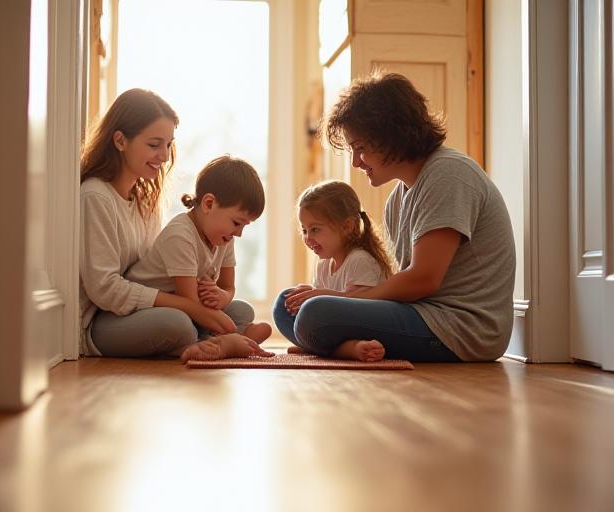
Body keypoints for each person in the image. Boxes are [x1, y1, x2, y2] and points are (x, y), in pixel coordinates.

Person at [274, 73, 516, 362]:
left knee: (315, 313)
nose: (355, 162)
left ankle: (327, 343)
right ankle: (338, 346)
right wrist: (329, 297)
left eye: (360, 148)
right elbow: (400, 286)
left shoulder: (448, 175)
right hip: (422, 315)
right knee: (286, 304)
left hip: (461, 328)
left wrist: (338, 300)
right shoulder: (397, 200)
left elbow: (423, 280)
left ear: (392, 135)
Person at [80, 88, 272, 361]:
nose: (165, 155)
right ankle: (213, 345)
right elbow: (105, 290)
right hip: (107, 321)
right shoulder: (96, 196)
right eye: (154, 144)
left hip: (156, 308)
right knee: (177, 324)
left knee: (240, 310)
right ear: (120, 141)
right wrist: (188, 306)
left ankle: (212, 343)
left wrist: (203, 299)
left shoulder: (144, 200)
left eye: (169, 144)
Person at [125, 155, 273, 361]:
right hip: (147, 311)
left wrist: (222, 296)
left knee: (242, 309)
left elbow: (228, 287)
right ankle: (225, 343)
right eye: (237, 223)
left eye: (245, 226)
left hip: (191, 309)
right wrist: (222, 320)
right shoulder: (180, 234)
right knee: (180, 324)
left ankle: (225, 342)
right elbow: (191, 303)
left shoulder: (225, 238)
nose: (239, 233)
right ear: (209, 204)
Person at [273, 180, 394, 357]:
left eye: (315, 229)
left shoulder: (360, 260)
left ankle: (343, 349)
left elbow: (360, 306)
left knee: (315, 308)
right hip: (335, 329)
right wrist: (307, 297)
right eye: (304, 230)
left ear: (347, 226)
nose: (308, 238)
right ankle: (324, 347)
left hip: (366, 329)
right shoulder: (323, 265)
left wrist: (318, 295)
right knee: (284, 302)